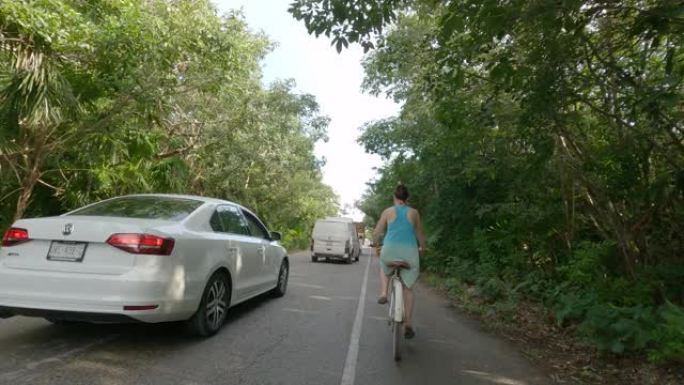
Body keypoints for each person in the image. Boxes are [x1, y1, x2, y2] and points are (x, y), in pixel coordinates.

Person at [373, 184, 426, 339]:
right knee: (408, 289)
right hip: (409, 253)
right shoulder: (414, 213)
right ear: (407, 198)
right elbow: (419, 233)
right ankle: (408, 323)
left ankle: (384, 292)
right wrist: (423, 248)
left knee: (384, 265)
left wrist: (376, 244)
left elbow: (377, 231)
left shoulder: (388, 212)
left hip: (390, 251)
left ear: (394, 197)